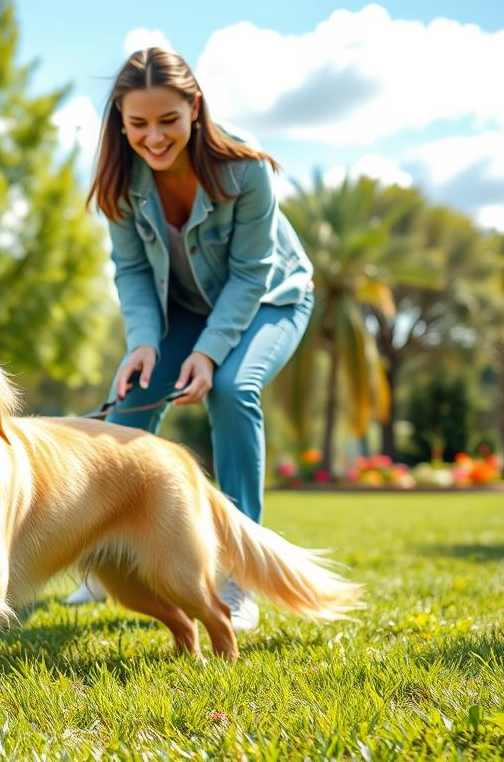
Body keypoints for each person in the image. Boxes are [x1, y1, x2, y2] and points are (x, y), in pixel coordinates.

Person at [63, 47, 315, 632]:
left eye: (168, 120)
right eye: (139, 124)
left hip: (270, 301)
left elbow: (253, 273)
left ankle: (238, 573)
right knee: (124, 417)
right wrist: (143, 344)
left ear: (194, 108)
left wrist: (206, 355)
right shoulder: (121, 182)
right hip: (179, 312)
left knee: (231, 389)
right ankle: (109, 565)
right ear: (121, 123)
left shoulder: (246, 169)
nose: (154, 137)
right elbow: (130, 272)